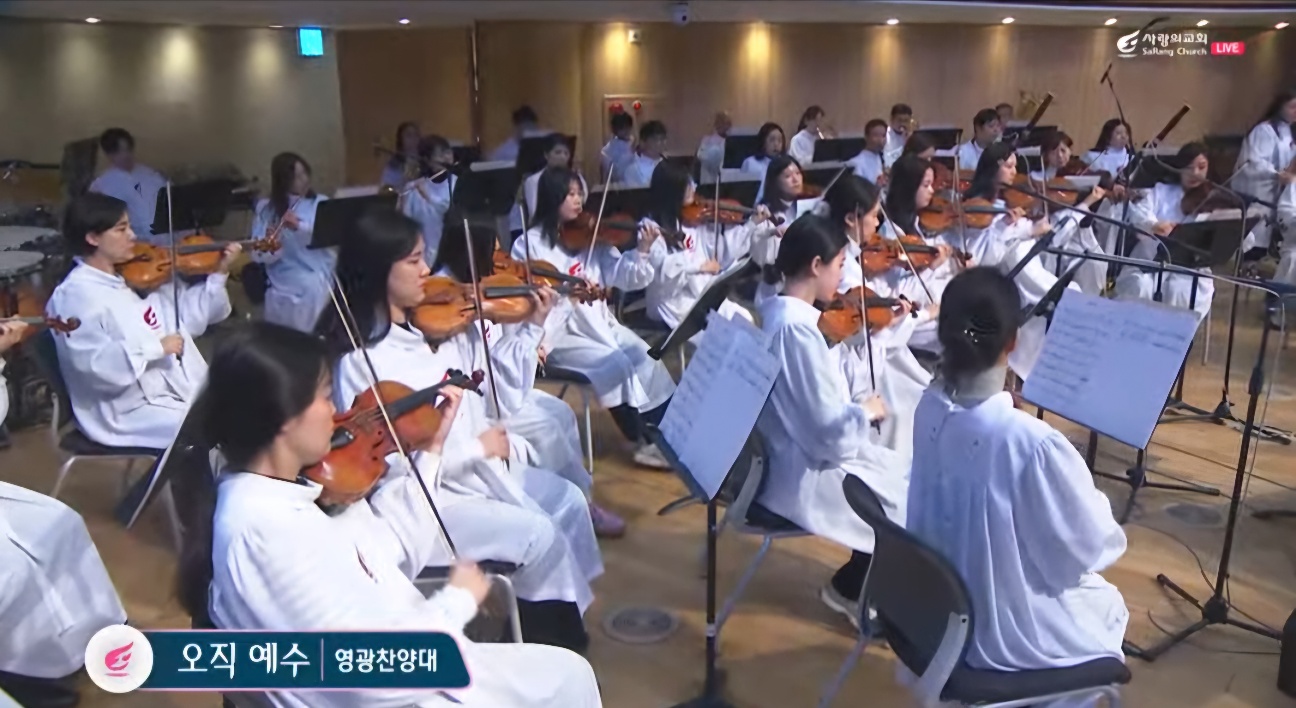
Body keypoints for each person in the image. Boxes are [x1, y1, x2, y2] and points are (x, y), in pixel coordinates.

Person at [174, 321, 602, 707]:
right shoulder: (264, 531)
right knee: (566, 679)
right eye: (326, 397)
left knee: (569, 674)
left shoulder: (287, 493)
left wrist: (432, 449)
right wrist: (455, 603)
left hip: (418, 658)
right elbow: (366, 676)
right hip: (408, 689)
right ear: (284, 416)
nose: (338, 414)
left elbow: (380, 555)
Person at [316, 208, 598, 650]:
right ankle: (549, 641)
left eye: (424, 257)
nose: (427, 271)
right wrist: (474, 449)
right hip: (425, 503)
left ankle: (553, 619)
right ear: (378, 270)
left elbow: (503, 400)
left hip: (478, 476)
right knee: (539, 534)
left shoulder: (448, 329)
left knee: (570, 500)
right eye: (413, 261)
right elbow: (389, 468)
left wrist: (529, 329)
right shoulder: (362, 360)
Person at [907, 266, 1128, 680]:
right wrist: (1094, 500)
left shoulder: (927, 406)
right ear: (1012, 341)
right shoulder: (1031, 443)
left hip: (930, 614)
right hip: (999, 634)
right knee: (1107, 604)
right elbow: (1085, 549)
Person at [431, 210, 626, 537]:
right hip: (481, 402)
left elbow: (503, 341)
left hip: (500, 383)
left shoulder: (485, 287)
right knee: (547, 428)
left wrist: (552, 311)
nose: (501, 262)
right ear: (471, 252)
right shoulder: (446, 302)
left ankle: (580, 499)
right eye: (493, 252)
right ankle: (566, 505)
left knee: (562, 412)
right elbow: (485, 368)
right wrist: (527, 335)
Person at [757, 212, 908, 628]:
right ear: (815, 266)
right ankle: (854, 591)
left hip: (795, 451)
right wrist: (866, 411)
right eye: (840, 265)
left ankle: (857, 584)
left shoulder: (780, 315)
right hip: (801, 469)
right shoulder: (796, 331)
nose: (843, 277)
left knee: (904, 475)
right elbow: (827, 432)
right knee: (904, 496)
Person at [511, 168, 676, 469]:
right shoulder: (528, 244)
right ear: (552, 198)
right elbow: (530, 301)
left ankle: (670, 434)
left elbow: (625, 277)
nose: (578, 201)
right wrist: (569, 297)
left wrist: (642, 249)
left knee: (647, 357)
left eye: (580, 194)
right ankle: (641, 439)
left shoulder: (593, 236)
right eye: (570, 194)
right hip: (559, 336)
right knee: (615, 364)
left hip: (599, 324)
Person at [46, 193, 236, 450]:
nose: (133, 236)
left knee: (239, 407)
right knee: (217, 426)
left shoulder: (131, 279)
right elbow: (93, 366)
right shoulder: (75, 296)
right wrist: (156, 347)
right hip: (124, 410)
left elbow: (188, 319)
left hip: (164, 387)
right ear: (93, 238)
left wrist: (220, 271)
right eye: (121, 229)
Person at [824, 175, 938, 460]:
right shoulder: (843, 268)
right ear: (851, 219)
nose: (877, 224)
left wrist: (894, 315)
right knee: (906, 405)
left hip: (872, 354)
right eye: (874, 216)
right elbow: (861, 330)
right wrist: (907, 317)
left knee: (917, 393)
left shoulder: (850, 258)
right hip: (858, 363)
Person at [640, 161, 759, 338]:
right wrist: (699, 266)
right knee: (717, 335)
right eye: (687, 185)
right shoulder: (650, 227)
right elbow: (661, 271)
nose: (694, 188)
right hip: (670, 301)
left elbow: (721, 252)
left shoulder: (690, 220)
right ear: (672, 191)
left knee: (743, 317)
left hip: (698, 290)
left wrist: (752, 224)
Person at [1116, 142, 1232, 321]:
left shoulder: (1214, 199)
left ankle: (1175, 335)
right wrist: (1153, 224)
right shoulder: (1160, 191)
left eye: (1201, 167)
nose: (1195, 173)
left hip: (1190, 268)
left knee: (1182, 292)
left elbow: (1236, 236)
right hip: (1150, 261)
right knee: (1140, 286)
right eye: (1188, 168)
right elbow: (1139, 213)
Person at [249, 152, 331, 333]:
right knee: (308, 285)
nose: (304, 180)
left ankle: (314, 335)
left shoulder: (321, 203)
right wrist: (273, 243)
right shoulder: (266, 209)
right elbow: (257, 255)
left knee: (318, 283)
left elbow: (327, 236)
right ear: (283, 181)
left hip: (320, 266)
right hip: (286, 270)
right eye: (296, 177)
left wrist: (299, 226)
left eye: (304, 174)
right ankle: (299, 338)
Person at [1236, 89, 1296, 256]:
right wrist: (1276, 174)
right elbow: (1253, 161)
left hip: (1278, 192)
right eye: (1292, 107)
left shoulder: (1289, 133)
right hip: (1259, 191)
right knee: (1254, 237)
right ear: (1280, 106)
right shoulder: (1264, 131)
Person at [88, 127, 171, 245]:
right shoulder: (102, 186)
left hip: (170, 239)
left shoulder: (151, 175)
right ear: (109, 154)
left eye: (128, 150)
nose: (126, 155)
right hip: (135, 244)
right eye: (119, 152)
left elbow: (171, 202)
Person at [401, 135, 460, 266]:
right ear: (427, 160)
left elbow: (447, 209)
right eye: (440, 154)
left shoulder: (458, 183)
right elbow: (406, 223)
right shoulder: (413, 188)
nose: (446, 158)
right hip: (423, 259)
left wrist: (427, 195)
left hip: (452, 259)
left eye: (448, 152)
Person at [524, 134, 587, 223]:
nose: (562, 157)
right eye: (558, 152)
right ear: (546, 155)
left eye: (566, 153)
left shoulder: (576, 177)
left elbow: (583, 203)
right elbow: (534, 211)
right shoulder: (534, 180)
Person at [620, 120, 668, 188]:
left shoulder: (670, 165)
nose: (659, 143)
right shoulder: (633, 170)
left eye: (662, 139)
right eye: (655, 139)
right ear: (642, 142)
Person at [956, 108, 1003, 172]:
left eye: (998, 126)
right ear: (978, 128)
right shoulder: (964, 151)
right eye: (991, 126)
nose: (996, 130)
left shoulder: (1001, 151)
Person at [380, 120, 422, 188]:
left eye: (416, 135)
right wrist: (405, 180)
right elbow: (387, 188)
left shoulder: (426, 161)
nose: (413, 139)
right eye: (409, 135)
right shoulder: (393, 165)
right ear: (401, 140)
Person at [847, 119, 889, 184]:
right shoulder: (856, 163)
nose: (880, 140)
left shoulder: (881, 158)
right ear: (866, 137)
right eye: (875, 135)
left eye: (883, 135)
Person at [696, 111, 733, 184]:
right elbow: (702, 157)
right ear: (717, 124)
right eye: (723, 123)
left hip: (725, 180)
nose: (726, 126)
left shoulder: (731, 141)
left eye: (728, 123)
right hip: (709, 180)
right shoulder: (707, 141)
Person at [600, 111, 635, 182]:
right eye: (622, 128)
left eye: (628, 127)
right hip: (619, 186)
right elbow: (616, 173)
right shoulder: (606, 151)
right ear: (615, 130)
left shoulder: (638, 144)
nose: (626, 130)